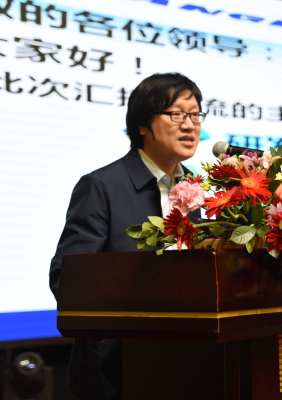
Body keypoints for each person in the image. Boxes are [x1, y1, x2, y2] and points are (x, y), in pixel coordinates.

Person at [49, 72, 205, 400]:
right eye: (177, 114)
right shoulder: (102, 186)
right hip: (116, 367)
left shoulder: (195, 187)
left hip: (188, 360)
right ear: (142, 125)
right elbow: (66, 278)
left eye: (195, 115)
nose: (190, 125)